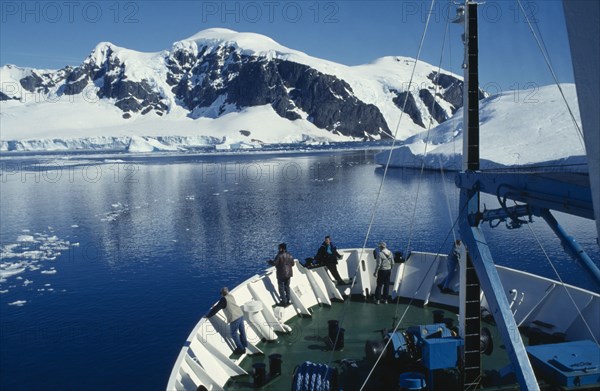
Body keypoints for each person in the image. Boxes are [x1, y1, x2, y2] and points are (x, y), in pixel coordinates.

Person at [205, 287, 248, 355]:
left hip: (234, 318)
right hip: (240, 314)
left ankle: (241, 349)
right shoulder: (230, 296)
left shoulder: (223, 300)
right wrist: (216, 306)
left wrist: (208, 316)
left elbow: (216, 309)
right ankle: (245, 345)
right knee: (242, 331)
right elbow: (227, 305)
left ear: (222, 294)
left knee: (234, 334)